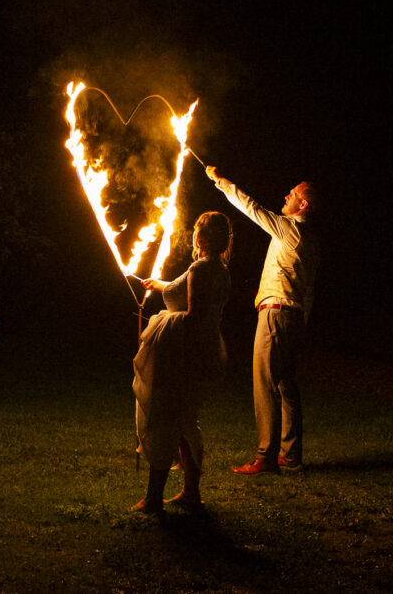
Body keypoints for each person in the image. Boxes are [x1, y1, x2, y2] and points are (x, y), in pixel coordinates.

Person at [206, 167, 319, 475]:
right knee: (285, 384)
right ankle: (290, 455)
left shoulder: (290, 229)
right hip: (292, 317)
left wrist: (222, 182)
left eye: (292, 195)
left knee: (265, 383)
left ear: (303, 205)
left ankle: (265, 456)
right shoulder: (311, 241)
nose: (286, 196)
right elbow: (309, 290)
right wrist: (301, 322)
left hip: (276, 314)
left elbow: (252, 209)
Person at [130, 211, 233, 514]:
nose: (194, 234)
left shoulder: (200, 268)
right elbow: (185, 290)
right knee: (186, 420)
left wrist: (166, 326)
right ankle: (191, 493)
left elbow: (194, 315)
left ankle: (153, 498)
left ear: (202, 236)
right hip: (203, 351)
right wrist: (158, 285)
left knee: (165, 419)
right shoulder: (221, 270)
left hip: (184, 354)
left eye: (197, 229)